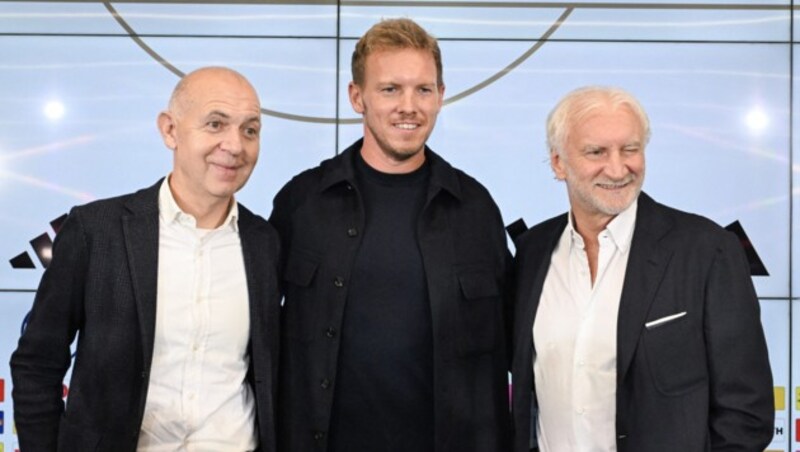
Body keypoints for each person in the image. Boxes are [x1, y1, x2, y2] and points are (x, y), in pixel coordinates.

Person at [269, 18, 511, 452]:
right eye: (390, 89)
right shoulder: (301, 203)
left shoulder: (475, 208)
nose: (409, 106)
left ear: (441, 95)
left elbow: (513, 343)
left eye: (423, 89)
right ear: (357, 97)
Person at [10, 66, 281, 452]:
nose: (235, 145)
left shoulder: (265, 243)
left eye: (250, 130)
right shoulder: (96, 230)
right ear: (170, 130)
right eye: (216, 124)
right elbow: (37, 362)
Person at [510, 86, 774, 451]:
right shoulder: (531, 253)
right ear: (558, 162)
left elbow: (746, 413)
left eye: (630, 149)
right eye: (596, 152)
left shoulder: (707, 250)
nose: (618, 168)